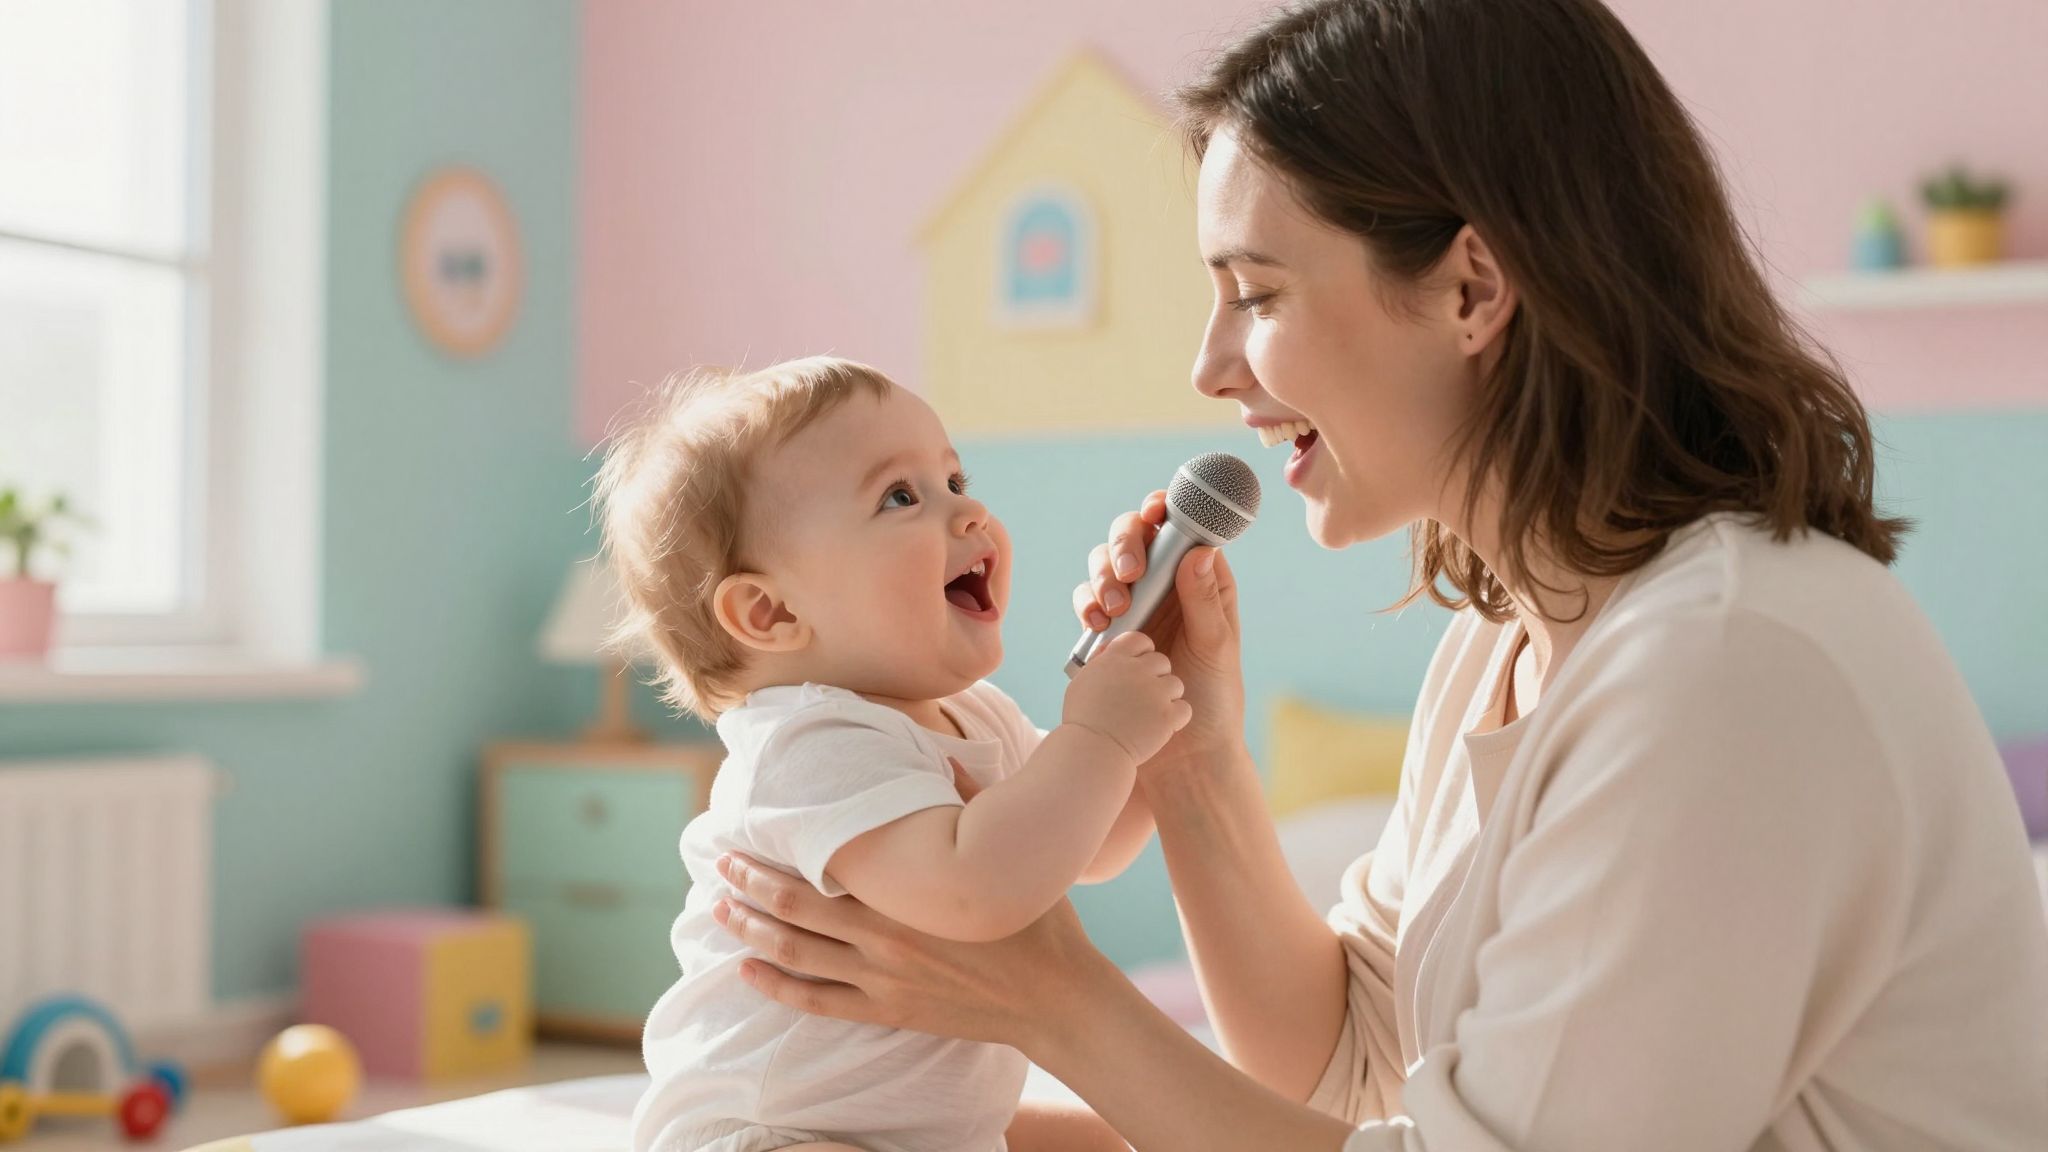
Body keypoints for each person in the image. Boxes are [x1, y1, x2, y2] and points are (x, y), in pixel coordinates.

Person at [702, 1, 2048, 1148]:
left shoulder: (1727, 667)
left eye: (1258, 293)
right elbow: (1340, 1060)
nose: (1209, 365)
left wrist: (1051, 998)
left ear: (1473, 290)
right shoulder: (1515, 635)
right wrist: (1194, 753)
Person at [597, 356, 1186, 1152]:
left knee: (1112, 1142)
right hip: (775, 1134)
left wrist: (1152, 717)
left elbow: (1092, 844)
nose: (969, 511)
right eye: (900, 497)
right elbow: (977, 891)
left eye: (954, 478)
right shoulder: (804, 743)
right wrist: (1102, 736)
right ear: (769, 610)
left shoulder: (973, 714)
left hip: (919, 1130)